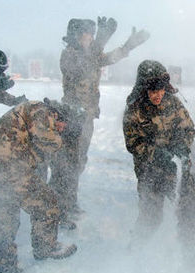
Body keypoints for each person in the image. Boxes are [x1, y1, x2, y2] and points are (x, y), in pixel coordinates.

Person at [0, 100, 78, 273]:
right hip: (7, 169)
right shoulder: (42, 112)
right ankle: (45, 248)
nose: (61, 129)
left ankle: (3, 266)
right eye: (63, 125)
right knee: (47, 202)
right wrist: (63, 139)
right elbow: (46, 140)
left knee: (4, 215)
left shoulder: (34, 111)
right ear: (59, 116)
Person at [58, 17, 149, 215]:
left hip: (87, 117)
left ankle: (67, 201)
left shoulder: (91, 53)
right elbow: (81, 67)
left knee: (78, 160)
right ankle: (59, 203)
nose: (89, 38)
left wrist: (128, 45)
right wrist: (102, 39)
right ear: (75, 35)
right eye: (86, 34)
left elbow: (110, 58)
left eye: (92, 34)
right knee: (67, 162)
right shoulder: (69, 55)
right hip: (72, 116)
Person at [123, 60, 195, 248]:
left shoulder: (173, 103)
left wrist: (182, 146)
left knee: (188, 211)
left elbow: (188, 128)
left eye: (161, 90)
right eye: (153, 91)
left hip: (178, 169)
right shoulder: (134, 110)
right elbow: (133, 143)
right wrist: (156, 155)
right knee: (151, 216)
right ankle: (135, 251)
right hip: (150, 171)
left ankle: (188, 251)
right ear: (143, 89)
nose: (158, 95)